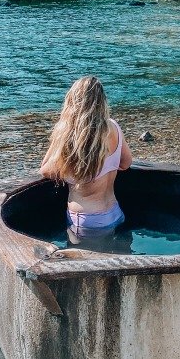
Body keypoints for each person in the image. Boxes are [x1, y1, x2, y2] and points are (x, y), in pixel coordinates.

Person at [40, 76, 132, 239]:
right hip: (115, 213)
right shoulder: (113, 127)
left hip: (85, 222)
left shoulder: (68, 134)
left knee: (81, 263)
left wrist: (60, 132)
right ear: (102, 102)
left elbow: (46, 170)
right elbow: (126, 163)